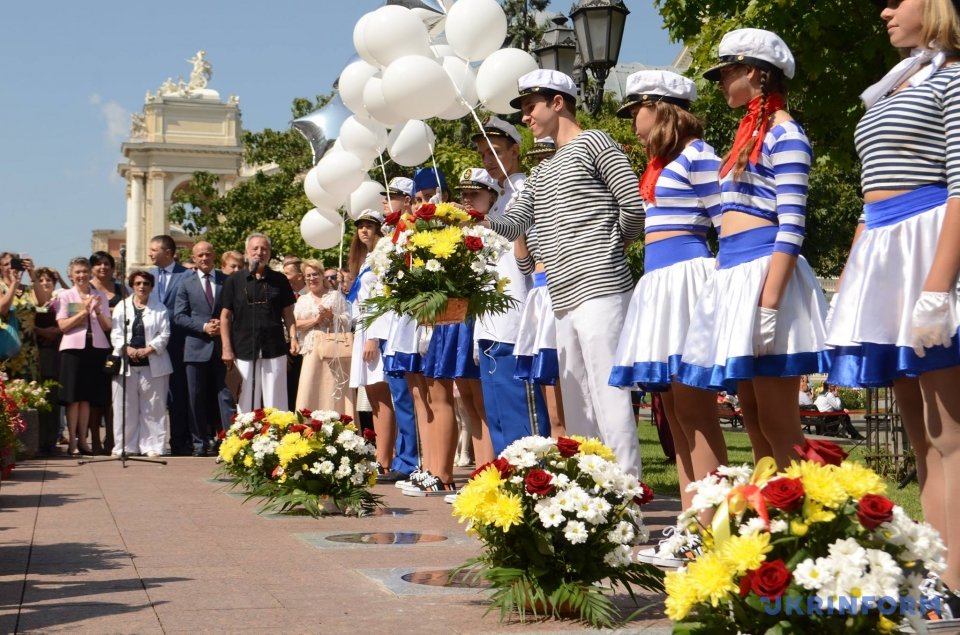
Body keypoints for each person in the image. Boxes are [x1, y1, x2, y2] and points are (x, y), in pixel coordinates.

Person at [826, 0, 960, 601]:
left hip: (928, 250)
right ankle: (938, 570)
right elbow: (869, 193)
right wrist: (853, 277)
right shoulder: (898, 81)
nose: (883, 10)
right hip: (885, 251)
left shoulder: (954, 77)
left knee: (950, 431)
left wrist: (938, 289)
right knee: (921, 434)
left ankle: (957, 580)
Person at [675, 29, 829, 468]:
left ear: (756, 74)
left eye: (727, 71)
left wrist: (768, 304)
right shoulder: (746, 137)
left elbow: (792, 226)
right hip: (737, 277)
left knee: (781, 422)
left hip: (765, 277)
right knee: (756, 419)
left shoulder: (787, 136)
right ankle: (769, 517)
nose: (720, 81)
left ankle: (813, 518)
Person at [486, 70, 645, 475]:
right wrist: (477, 219)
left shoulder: (596, 141)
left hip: (602, 288)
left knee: (609, 396)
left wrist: (613, 248)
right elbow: (515, 223)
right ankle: (593, 488)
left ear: (558, 102)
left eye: (530, 107)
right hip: (562, 297)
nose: (525, 117)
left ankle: (628, 489)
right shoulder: (542, 171)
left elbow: (632, 205)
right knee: (577, 403)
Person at [608, 70, 728, 513]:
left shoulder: (699, 155)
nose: (632, 119)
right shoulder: (656, 166)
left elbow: (725, 223)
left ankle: (714, 521)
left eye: (636, 108)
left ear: (661, 109)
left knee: (696, 411)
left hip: (687, 281)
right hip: (659, 283)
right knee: (674, 415)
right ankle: (692, 518)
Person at [471, 117, 551, 454]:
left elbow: (530, 256)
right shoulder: (502, 196)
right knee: (500, 415)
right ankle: (509, 487)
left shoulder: (522, 190)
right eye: (483, 154)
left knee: (523, 419)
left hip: (515, 318)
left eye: (496, 151)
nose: (488, 160)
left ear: (516, 151)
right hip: (492, 320)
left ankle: (533, 484)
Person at [220, 233, 298, 412]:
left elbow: (288, 313)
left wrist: (293, 338)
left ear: (269, 253)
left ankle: (278, 436)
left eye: (264, 249)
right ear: (246, 252)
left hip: (274, 346)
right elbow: (225, 316)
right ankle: (246, 437)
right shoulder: (234, 280)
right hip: (244, 348)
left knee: (276, 400)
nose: (259, 252)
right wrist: (226, 348)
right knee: (245, 399)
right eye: (255, 248)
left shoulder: (279, 279)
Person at [174, 241, 231, 456]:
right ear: (194, 258)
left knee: (225, 397)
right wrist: (204, 327)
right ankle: (199, 443)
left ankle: (229, 442)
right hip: (195, 348)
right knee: (195, 398)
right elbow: (179, 315)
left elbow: (235, 310)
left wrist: (222, 327)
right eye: (200, 255)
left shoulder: (227, 281)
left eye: (208, 254)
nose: (205, 258)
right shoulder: (185, 283)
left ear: (214, 255)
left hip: (223, 347)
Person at [111, 271, 172, 457]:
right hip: (126, 363)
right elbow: (116, 332)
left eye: (146, 283)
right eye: (137, 283)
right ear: (132, 285)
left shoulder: (159, 308)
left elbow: (165, 334)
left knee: (153, 408)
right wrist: (126, 348)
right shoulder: (122, 306)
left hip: (153, 363)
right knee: (125, 407)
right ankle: (125, 446)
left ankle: (153, 446)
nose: (142, 286)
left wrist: (149, 349)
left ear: (151, 287)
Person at [55, 257, 112, 456]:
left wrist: (96, 309)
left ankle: (84, 441)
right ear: (71, 275)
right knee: (73, 398)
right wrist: (83, 313)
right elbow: (63, 325)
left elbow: (107, 326)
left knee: (87, 398)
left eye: (84, 272)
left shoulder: (99, 296)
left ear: (90, 273)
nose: (81, 276)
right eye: (77, 272)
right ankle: (72, 441)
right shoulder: (66, 296)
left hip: (95, 348)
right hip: (73, 349)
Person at [148, 234, 190, 455]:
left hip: (178, 343)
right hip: (151, 344)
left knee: (178, 393)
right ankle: (151, 442)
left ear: (167, 252)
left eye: (153, 249)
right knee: (152, 395)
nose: (150, 253)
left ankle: (180, 441)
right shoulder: (147, 277)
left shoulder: (187, 275)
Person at [294, 258, 352, 413]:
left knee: (332, 390)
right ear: (304, 279)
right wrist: (316, 320)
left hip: (333, 350)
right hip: (311, 350)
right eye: (308, 276)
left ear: (321, 275)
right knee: (309, 388)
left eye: (315, 274)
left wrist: (331, 316)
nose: (312, 278)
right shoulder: (302, 300)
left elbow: (347, 322)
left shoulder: (335, 296)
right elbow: (295, 324)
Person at [88, 251, 122, 455]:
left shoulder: (121, 289)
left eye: (107, 264)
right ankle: (95, 441)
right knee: (94, 397)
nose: (103, 268)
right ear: (92, 268)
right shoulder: (87, 289)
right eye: (98, 264)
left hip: (114, 348)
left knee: (112, 396)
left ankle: (111, 439)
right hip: (91, 348)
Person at [0, 252, 51, 381]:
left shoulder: (27, 289)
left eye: (13, 264)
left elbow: (42, 301)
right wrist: (13, 285)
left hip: (29, 349)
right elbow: (3, 309)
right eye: (6, 264)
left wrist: (32, 274)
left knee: (31, 394)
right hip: (7, 347)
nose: (10, 267)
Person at [33, 267, 63, 455]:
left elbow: (75, 313)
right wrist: (42, 331)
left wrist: (57, 331)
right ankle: (35, 442)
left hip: (55, 354)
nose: (45, 284)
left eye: (49, 280)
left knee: (52, 399)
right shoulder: (30, 300)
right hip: (35, 355)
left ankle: (50, 442)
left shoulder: (62, 300)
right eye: (41, 280)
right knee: (37, 399)